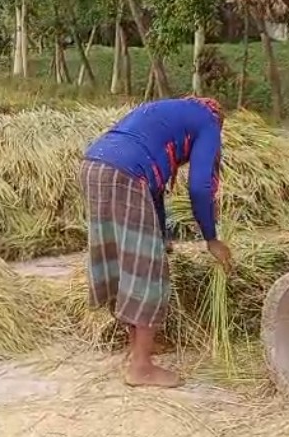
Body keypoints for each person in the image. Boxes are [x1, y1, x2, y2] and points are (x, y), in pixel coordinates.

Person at [80, 96, 233, 388]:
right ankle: (141, 367)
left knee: (124, 260)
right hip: (126, 174)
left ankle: (138, 345)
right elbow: (200, 186)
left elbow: (155, 192)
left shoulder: (169, 112)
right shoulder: (209, 123)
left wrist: (161, 237)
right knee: (148, 270)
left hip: (95, 165)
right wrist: (211, 239)